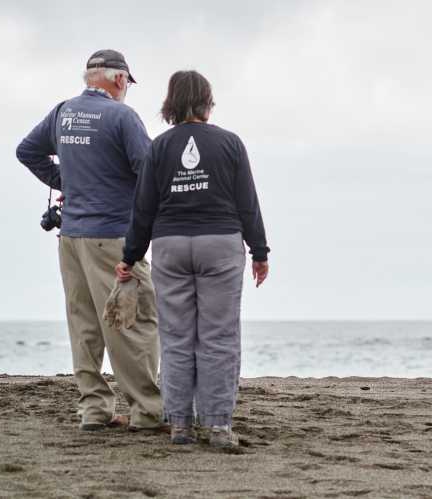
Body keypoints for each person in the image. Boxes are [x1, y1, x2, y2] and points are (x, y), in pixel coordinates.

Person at [115, 70, 270, 449]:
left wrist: (130, 256)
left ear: (171, 103)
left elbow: (143, 208)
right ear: (207, 101)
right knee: (218, 336)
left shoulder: (160, 147)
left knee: (177, 336)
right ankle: (218, 426)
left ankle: (181, 425)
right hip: (220, 243)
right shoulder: (230, 143)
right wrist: (259, 251)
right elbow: (247, 203)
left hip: (170, 245)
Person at [16, 50, 163, 432]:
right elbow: (148, 171)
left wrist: (66, 182)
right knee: (132, 321)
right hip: (112, 236)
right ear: (119, 80)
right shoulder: (122, 116)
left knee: (84, 325)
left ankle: (94, 411)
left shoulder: (63, 111)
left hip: (71, 238)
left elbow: (26, 151)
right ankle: (147, 412)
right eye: (128, 83)